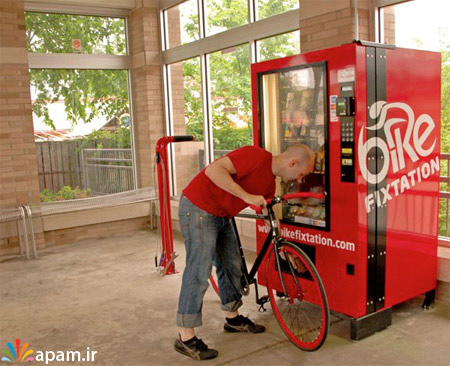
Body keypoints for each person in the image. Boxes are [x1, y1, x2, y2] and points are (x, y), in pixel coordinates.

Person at [174, 143, 315, 360]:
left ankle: (233, 318)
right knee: (199, 272)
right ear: (292, 163)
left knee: (232, 266)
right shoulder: (255, 156)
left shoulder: (269, 184)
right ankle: (185, 337)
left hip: (222, 213)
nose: (298, 179)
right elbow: (213, 170)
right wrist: (247, 196)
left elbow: (268, 215)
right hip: (198, 207)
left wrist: (284, 249)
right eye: (301, 173)